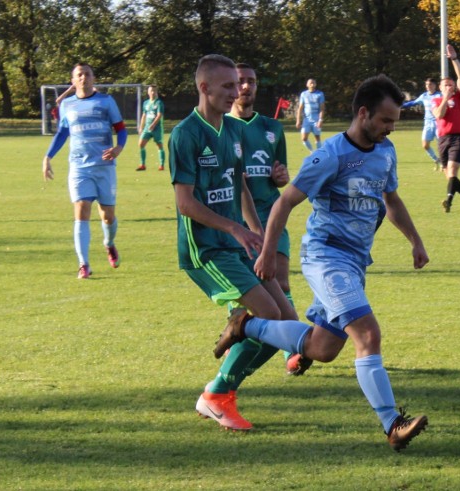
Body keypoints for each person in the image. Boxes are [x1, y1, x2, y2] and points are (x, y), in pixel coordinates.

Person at [213, 73, 430, 451]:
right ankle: (392, 423)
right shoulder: (330, 155)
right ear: (363, 114)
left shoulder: (385, 153)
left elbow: (391, 201)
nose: (390, 129)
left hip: (355, 262)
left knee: (323, 348)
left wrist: (415, 240)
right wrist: (266, 252)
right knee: (367, 334)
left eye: (394, 122)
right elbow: (284, 203)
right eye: (385, 121)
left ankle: (246, 326)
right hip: (326, 256)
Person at [169, 54, 298, 431]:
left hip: (238, 243)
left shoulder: (234, 130)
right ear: (204, 87)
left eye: (239, 84)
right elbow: (184, 203)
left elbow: (239, 184)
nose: (237, 91)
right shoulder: (185, 134)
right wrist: (234, 229)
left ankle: (222, 376)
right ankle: (218, 394)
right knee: (270, 316)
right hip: (205, 251)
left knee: (288, 329)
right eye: (228, 86)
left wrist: (258, 236)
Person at [226, 62, 312, 376]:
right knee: (254, 293)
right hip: (237, 222)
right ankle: (245, 341)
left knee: (281, 281)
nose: (245, 87)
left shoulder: (272, 128)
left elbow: (280, 174)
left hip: (271, 215)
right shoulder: (221, 126)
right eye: (239, 82)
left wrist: (280, 176)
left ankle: (293, 350)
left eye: (250, 81)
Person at [42, 63, 127, 279]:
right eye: (79, 75)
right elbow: (62, 133)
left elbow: (121, 129)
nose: (83, 78)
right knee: (81, 211)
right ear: (73, 80)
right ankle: (84, 264)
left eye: (87, 74)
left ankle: (109, 243)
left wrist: (118, 148)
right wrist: (48, 157)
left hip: (104, 166)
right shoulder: (67, 105)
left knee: (107, 216)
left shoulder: (106, 101)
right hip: (79, 167)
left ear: (93, 78)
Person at [432, 45, 460, 212]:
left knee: (452, 170)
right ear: (441, 88)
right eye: (445, 85)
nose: (449, 87)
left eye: (451, 84)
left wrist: (455, 59)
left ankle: (448, 201)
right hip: (442, 140)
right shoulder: (436, 101)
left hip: (457, 138)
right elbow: (439, 115)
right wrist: (445, 98)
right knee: (450, 175)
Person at [401, 77, 442, 169]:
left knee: (441, 145)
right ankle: (436, 159)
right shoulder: (424, 96)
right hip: (428, 123)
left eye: (430, 84)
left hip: (438, 123)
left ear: (435, 85)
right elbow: (412, 103)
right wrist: (401, 105)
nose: (428, 86)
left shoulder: (440, 95)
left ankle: (444, 162)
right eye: (427, 84)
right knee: (425, 145)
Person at [137, 85, 166, 171]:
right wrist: (141, 127)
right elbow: (144, 115)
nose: (153, 92)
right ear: (148, 92)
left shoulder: (159, 103)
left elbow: (159, 115)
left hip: (157, 128)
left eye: (154, 91)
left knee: (159, 145)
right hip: (147, 128)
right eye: (151, 91)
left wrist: (153, 124)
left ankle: (161, 165)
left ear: (156, 92)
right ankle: (142, 164)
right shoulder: (145, 103)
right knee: (141, 144)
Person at [296, 78, 325, 151]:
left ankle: (319, 153)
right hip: (306, 120)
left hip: (316, 119)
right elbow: (300, 108)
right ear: (307, 85)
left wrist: (320, 120)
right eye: (310, 83)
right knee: (304, 138)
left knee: (317, 137)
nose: (312, 84)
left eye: (313, 82)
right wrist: (298, 120)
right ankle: (312, 151)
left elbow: (322, 108)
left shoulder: (320, 94)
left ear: (315, 84)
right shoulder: (304, 94)